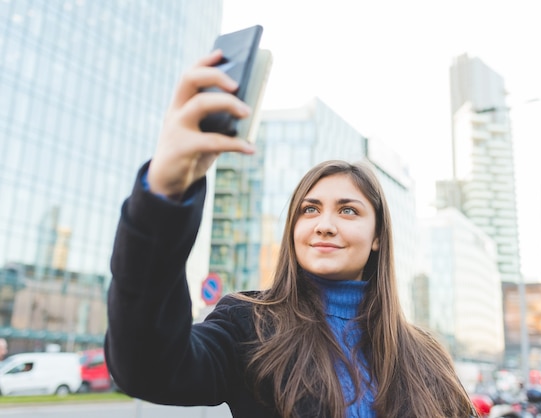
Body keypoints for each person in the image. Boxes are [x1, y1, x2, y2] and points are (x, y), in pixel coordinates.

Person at [104, 50, 476, 418]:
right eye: (309, 209)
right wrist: (164, 193)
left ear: (378, 236)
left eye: (348, 210)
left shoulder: (425, 355)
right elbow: (148, 367)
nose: (324, 224)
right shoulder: (248, 326)